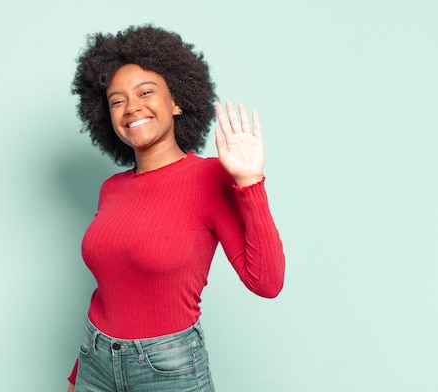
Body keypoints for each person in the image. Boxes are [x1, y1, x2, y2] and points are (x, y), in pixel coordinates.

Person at [66, 24, 285, 392]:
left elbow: (267, 282)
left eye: (145, 92)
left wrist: (249, 183)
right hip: (95, 359)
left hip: (167, 368)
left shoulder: (210, 177)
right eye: (117, 100)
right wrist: (79, 374)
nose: (131, 106)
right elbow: (110, 291)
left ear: (176, 101)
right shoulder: (111, 189)